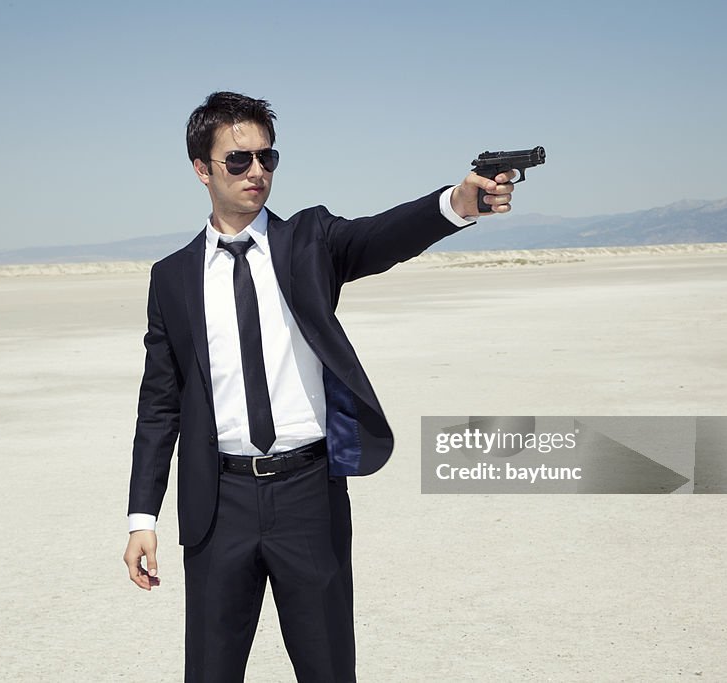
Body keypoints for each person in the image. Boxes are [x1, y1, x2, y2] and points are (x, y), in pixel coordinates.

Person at [123, 91, 517, 682]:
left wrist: (457, 203)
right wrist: (141, 517)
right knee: (210, 671)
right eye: (239, 160)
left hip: (308, 495)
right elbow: (159, 404)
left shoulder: (309, 242)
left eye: (267, 158)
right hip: (217, 504)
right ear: (201, 169)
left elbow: (381, 236)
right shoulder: (172, 277)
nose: (257, 171)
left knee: (328, 668)